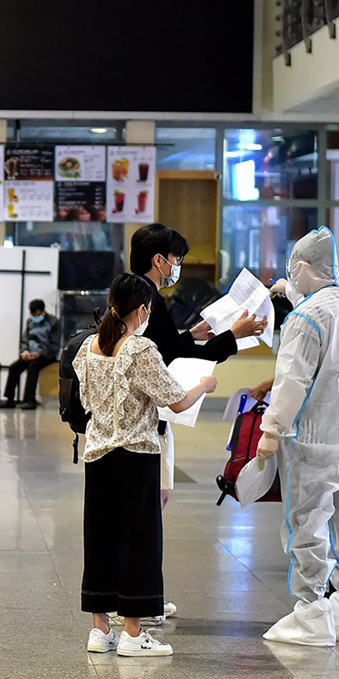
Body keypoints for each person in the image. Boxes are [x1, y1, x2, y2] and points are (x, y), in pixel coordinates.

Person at [129, 223, 267, 624]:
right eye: (176, 258)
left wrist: (195, 333)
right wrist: (233, 336)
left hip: (151, 416)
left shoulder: (144, 294)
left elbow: (169, 344)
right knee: (148, 505)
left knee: (158, 498)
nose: (179, 266)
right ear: (159, 260)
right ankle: (136, 599)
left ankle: (144, 594)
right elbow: (168, 352)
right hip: (145, 416)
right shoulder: (146, 297)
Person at [75, 273, 217, 657]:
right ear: (142, 309)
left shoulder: (88, 349)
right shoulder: (140, 350)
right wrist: (204, 384)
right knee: (139, 540)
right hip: (135, 458)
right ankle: (134, 635)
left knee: (101, 537)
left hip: (97, 455)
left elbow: (87, 402)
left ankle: (100, 629)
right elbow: (177, 401)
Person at [256, 227, 339, 647]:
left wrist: (270, 433)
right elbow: (323, 307)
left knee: (307, 522)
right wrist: (288, 290)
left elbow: (292, 382)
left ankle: (309, 614)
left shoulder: (304, 319)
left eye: (293, 270)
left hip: (314, 440)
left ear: (303, 267)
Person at [0, 299, 61, 410]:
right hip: (30, 354)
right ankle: (9, 399)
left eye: (36, 314)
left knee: (33, 367)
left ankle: (29, 400)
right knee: (14, 367)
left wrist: (39, 354)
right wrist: (24, 351)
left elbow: (54, 345)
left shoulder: (54, 322)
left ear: (41, 311)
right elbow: (25, 339)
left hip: (46, 355)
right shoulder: (29, 322)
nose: (34, 316)